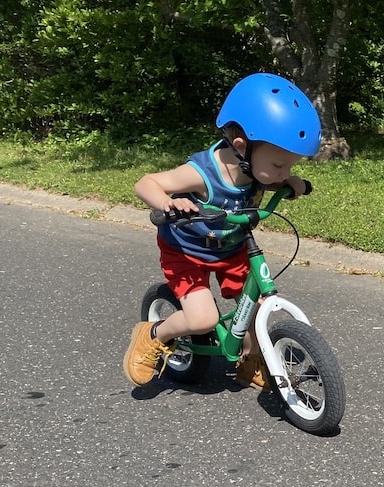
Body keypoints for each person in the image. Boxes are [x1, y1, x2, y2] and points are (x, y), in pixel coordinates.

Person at [123, 72, 322, 391]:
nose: (284, 172)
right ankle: (152, 334)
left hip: (232, 247)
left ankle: (249, 359)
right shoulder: (201, 173)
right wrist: (168, 204)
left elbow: (271, 176)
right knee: (203, 320)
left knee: (258, 307)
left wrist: (287, 182)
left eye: (291, 166)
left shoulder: (258, 164)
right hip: (188, 252)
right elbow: (146, 183)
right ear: (242, 146)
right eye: (280, 166)